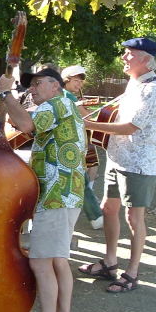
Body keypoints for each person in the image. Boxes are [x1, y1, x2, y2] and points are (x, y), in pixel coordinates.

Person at [0, 67, 86, 312]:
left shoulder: (56, 104)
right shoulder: (64, 105)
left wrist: (4, 93)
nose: (32, 89)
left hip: (57, 197)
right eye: (31, 85)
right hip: (67, 194)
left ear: (55, 86)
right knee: (59, 261)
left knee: (41, 261)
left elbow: (25, 125)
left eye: (37, 84)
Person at [79, 38, 156, 293]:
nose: (124, 57)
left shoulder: (153, 89)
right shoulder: (134, 84)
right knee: (108, 208)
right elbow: (117, 117)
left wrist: (87, 124)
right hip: (118, 158)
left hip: (139, 163)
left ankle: (132, 272)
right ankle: (109, 263)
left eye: (129, 54)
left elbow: (130, 127)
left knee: (134, 217)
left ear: (144, 59)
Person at [61, 65, 103, 230]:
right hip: (70, 145)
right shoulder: (68, 96)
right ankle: (95, 216)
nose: (79, 85)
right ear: (67, 80)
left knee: (79, 179)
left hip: (71, 144)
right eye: (76, 81)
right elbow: (86, 117)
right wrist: (87, 112)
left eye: (80, 82)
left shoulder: (67, 96)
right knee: (80, 180)